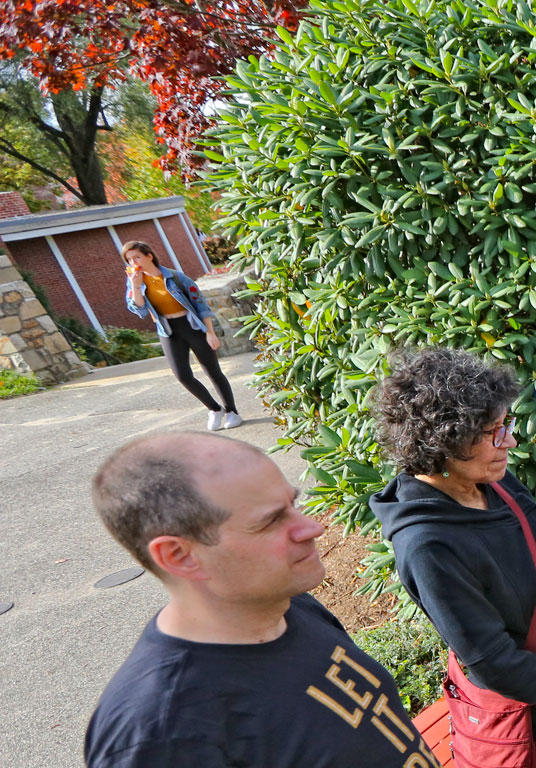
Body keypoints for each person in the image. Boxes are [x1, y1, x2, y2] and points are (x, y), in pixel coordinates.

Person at [85, 433, 438, 767]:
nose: (312, 528)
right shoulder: (160, 734)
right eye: (270, 522)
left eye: (292, 504)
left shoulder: (288, 604)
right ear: (179, 556)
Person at [372, 347, 536, 767]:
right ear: (445, 439)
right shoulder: (427, 545)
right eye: (494, 431)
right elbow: (495, 663)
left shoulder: (495, 484)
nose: (511, 441)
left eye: (506, 424)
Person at [122, 241, 240, 431]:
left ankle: (232, 412)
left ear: (149, 256)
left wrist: (210, 332)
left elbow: (201, 305)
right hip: (167, 330)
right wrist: (136, 287)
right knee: (182, 375)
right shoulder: (135, 282)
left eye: (137, 257)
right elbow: (139, 310)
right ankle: (214, 409)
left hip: (191, 325)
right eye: (129, 259)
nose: (133, 262)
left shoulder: (176, 277)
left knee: (212, 371)